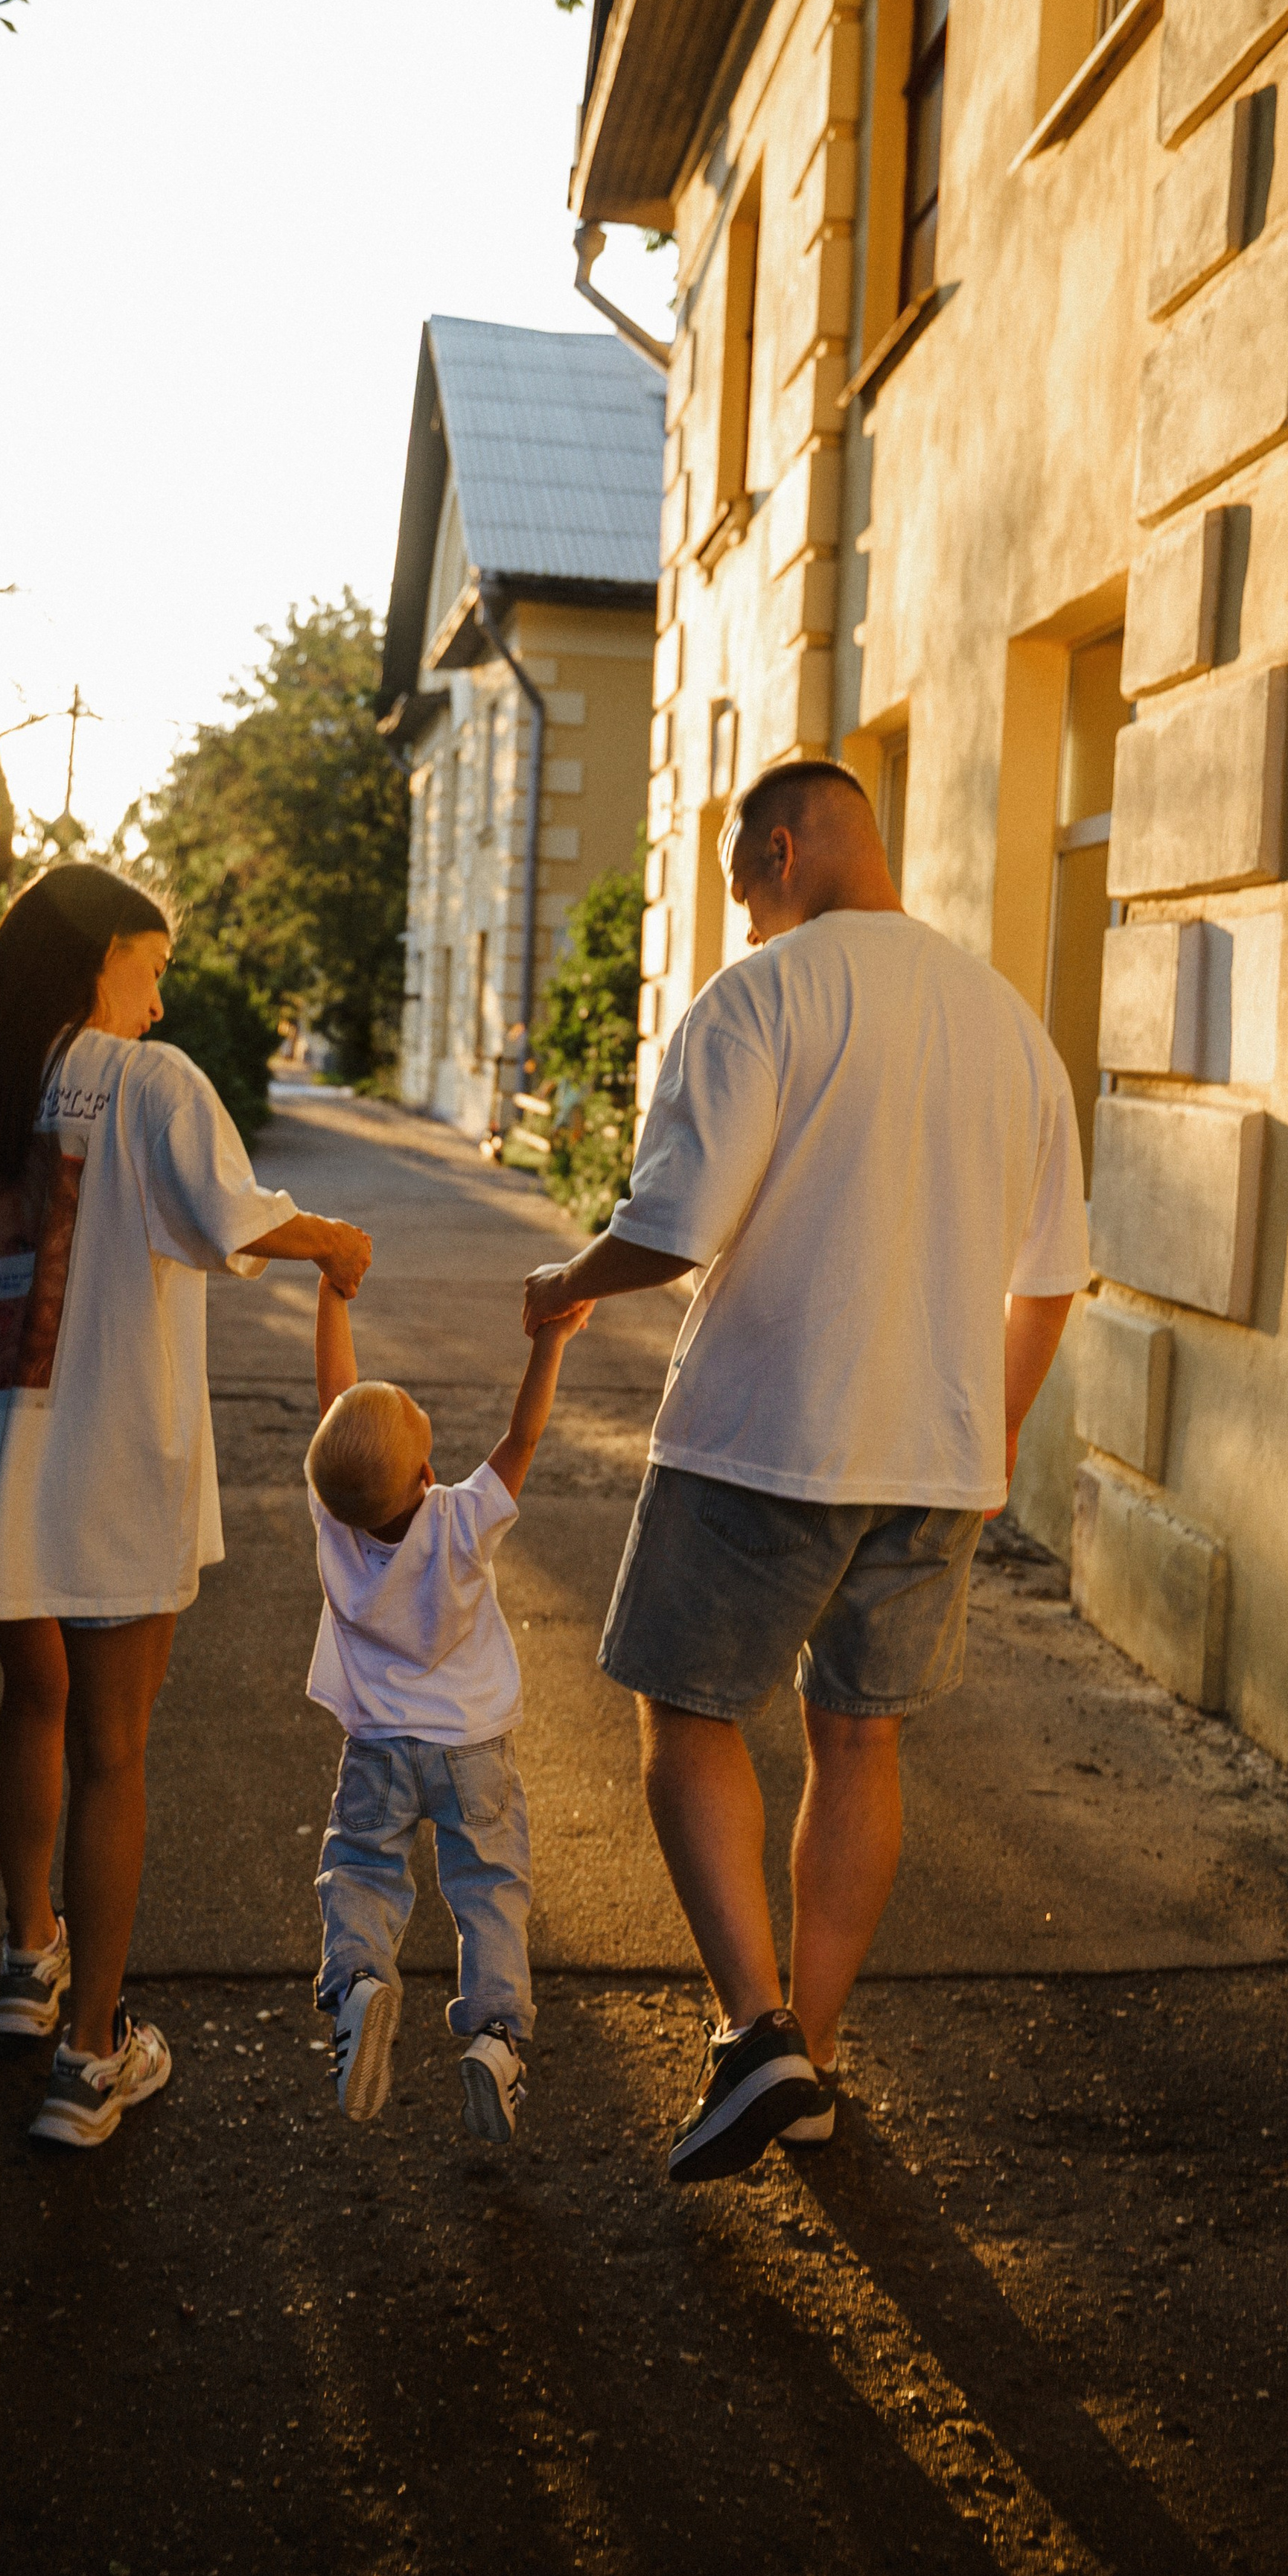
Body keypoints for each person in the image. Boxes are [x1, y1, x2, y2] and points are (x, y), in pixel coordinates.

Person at [522, 759, 1088, 2184]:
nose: (744, 923)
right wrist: (997, 1430)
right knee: (860, 1739)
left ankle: (755, 2032)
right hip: (938, 1455)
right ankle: (811, 2064)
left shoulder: (764, 998)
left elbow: (675, 1224)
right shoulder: (1010, 1024)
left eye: (739, 891)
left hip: (767, 1437)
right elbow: (1053, 1276)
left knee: (686, 1712)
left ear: (780, 850)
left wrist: (562, 1282)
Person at [0, 863, 372, 2149]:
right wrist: (331, 1240)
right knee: (114, 1747)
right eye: (148, 971)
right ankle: (92, 2058)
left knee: (30, 1699)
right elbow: (233, 1221)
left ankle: (26, 1963)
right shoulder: (147, 1086)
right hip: (108, 1468)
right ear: (97, 960)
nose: (154, 1005)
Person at [303, 1266, 592, 2141]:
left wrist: (331, 1294)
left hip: (378, 1748)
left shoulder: (334, 1522)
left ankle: (357, 1981)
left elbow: (333, 1393)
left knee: (359, 1866)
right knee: (491, 1889)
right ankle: (497, 2035)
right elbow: (524, 1435)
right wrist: (550, 1340)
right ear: (429, 1469)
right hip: (472, 1751)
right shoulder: (462, 1520)